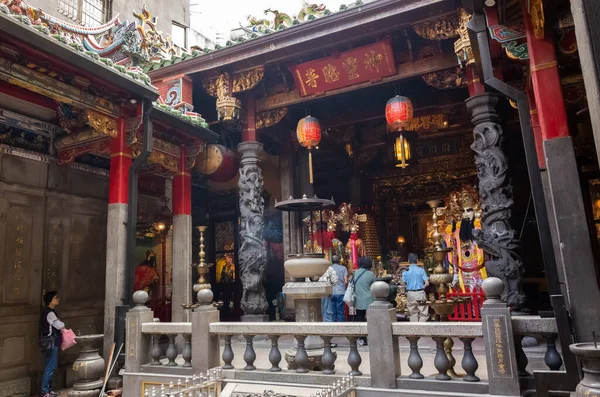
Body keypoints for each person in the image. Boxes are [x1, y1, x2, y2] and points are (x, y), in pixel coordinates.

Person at [40, 291, 64, 397]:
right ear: (50, 300)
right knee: (50, 366)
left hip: (52, 341)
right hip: (52, 342)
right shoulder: (49, 313)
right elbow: (59, 325)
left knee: (52, 366)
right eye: (55, 297)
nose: (57, 299)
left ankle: (48, 390)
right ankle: (45, 390)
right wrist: (62, 324)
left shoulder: (51, 312)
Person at [353, 256, 376, 346]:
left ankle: (362, 338)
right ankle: (373, 337)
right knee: (371, 319)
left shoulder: (355, 273)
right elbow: (375, 286)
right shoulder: (371, 274)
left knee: (360, 319)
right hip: (370, 300)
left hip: (358, 300)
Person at [402, 253, 430, 322]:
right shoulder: (421, 270)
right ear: (417, 260)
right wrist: (422, 287)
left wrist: (407, 285)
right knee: (424, 313)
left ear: (408, 261)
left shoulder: (405, 271)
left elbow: (402, 283)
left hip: (410, 293)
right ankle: (421, 328)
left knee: (413, 313)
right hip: (420, 292)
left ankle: (414, 330)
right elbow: (427, 283)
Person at [329, 255, 348, 322]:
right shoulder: (343, 268)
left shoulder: (329, 269)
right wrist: (344, 288)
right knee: (340, 311)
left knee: (333, 311)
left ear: (331, 261)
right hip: (340, 292)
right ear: (339, 260)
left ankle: (334, 327)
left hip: (331, 292)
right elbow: (346, 281)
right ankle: (341, 326)